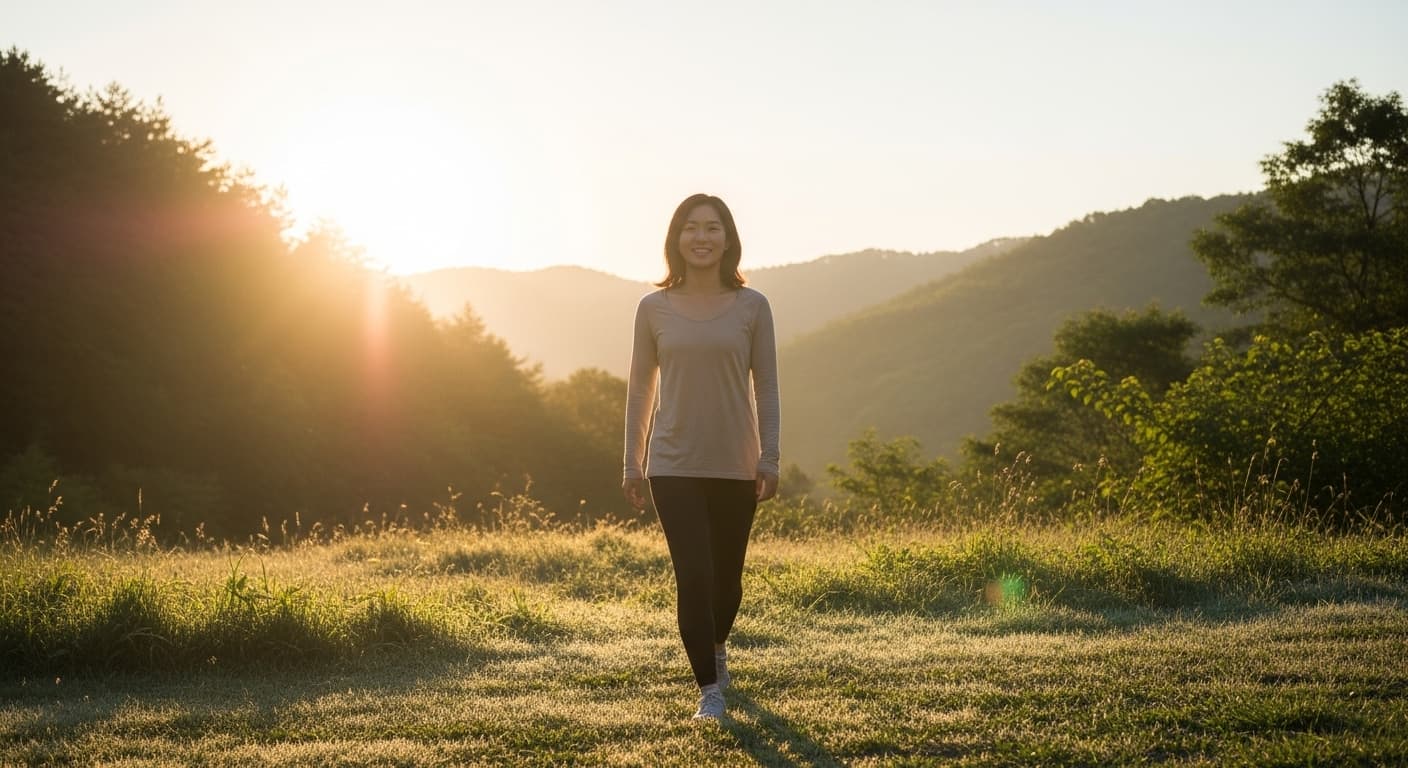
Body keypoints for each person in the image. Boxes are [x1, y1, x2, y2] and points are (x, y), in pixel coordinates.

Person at [622, 192, 780, 722]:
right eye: (691, 228)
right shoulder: (653, 308)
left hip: (736, 460)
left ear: (728, 239)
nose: (702, 237)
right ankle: (709, 689)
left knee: (727, 580)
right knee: (693, 574)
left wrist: (771, 457)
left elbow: (769, 388)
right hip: (673, 462)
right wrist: (633, 462)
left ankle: (716, 645)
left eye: (713, 228)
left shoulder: (753, 306)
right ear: (676, 238)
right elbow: (640, 390)